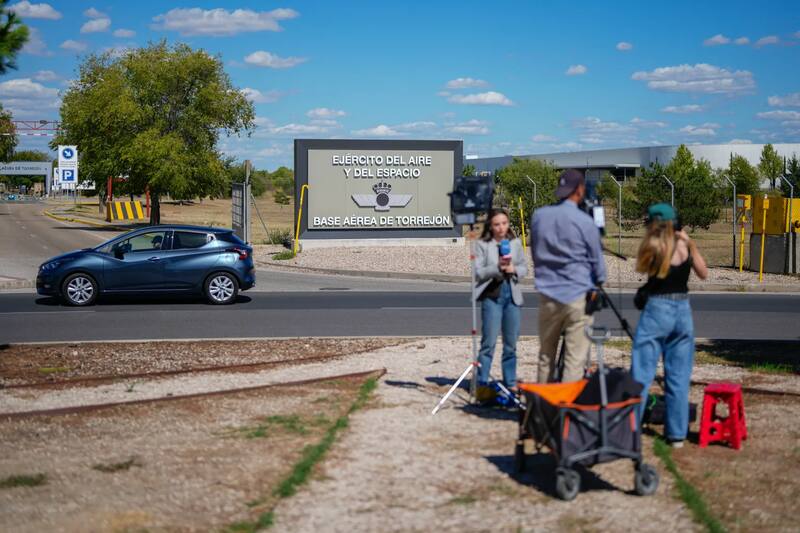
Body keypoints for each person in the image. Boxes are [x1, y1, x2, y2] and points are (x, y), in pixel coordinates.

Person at [631, 203, 708, 448]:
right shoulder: (685, 245)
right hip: (682, 311)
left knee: (642, 372)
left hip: (657, 309)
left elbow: (643, 268)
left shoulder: (654, 245)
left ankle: (630, 429)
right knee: (678, 376)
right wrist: (689, 241)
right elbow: (703, 272)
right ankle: (676, 434)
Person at [530, 169, 606, 383]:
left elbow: (535, 252)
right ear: (579, 190)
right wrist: (597, 281)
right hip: (576, 296)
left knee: (546, 355)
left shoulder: (539, 216)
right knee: (574, 359)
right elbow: (597, 265)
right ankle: (566, 408)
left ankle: (544, 406)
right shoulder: (584, 221)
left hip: (548, 295)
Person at [473, 208, 527, 395]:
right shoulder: (482, 244)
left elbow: (524, 268)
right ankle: (482, 381)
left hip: (512, 297)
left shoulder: (515, 243)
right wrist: (497, 268)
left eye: (504, 223)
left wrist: (514, 269)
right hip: (492, 297)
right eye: (497, 224)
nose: (501, 227)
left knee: (511, 344)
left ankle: (510, 381)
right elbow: (478, 273)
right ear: (490, 225)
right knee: (488, 343)